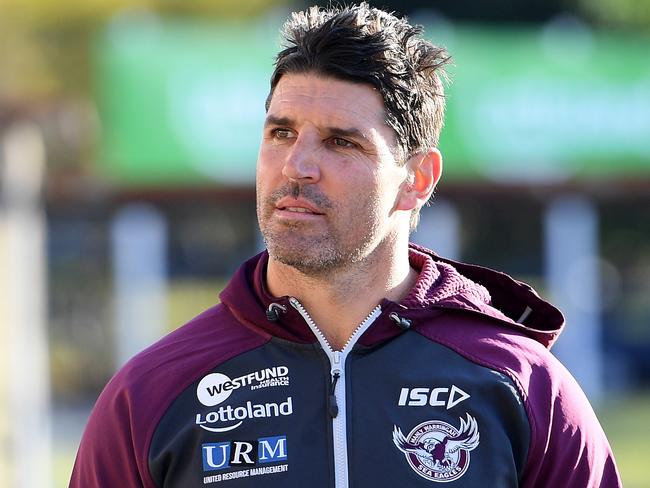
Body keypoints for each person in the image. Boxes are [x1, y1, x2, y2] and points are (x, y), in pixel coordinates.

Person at [71, 3, 621, 487]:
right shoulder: (152, 393)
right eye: (280, 133)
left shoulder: (521, 386)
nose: (297, 166)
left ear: (417, 179)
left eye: (341, 142)